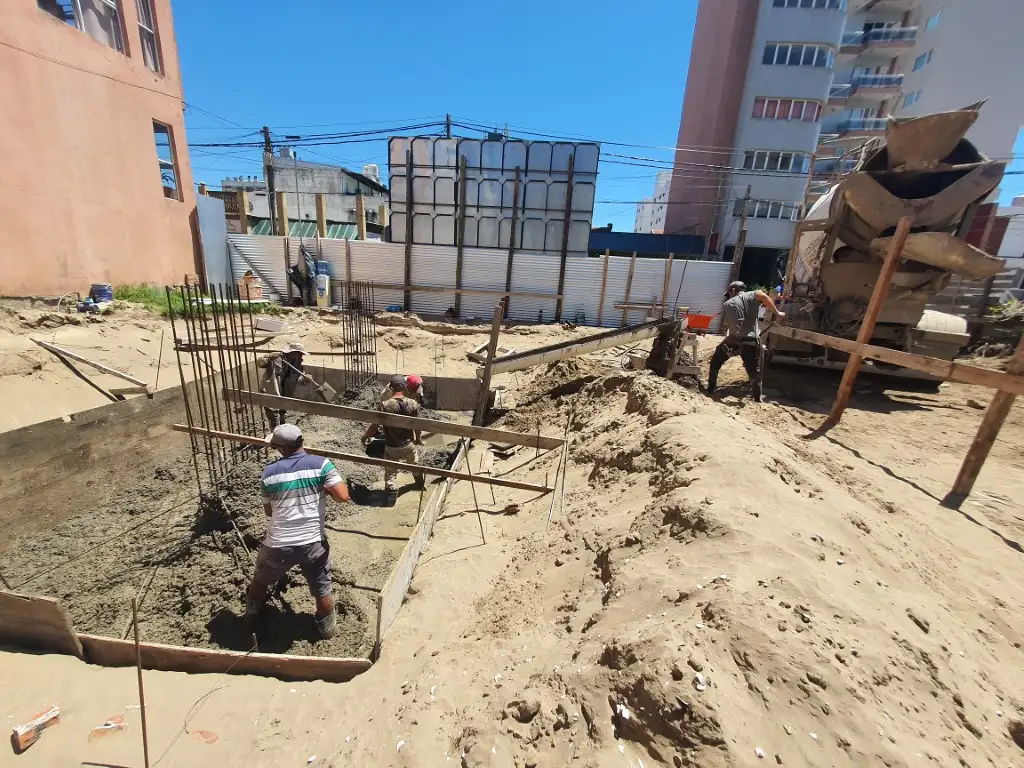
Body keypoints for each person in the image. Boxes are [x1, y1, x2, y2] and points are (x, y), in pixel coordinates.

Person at [245, 424, 351, 639]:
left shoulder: (268, 473)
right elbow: (342, 496)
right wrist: (324, 490)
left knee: (260, 581)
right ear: (301, 441)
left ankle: (250, 617)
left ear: (281, 448)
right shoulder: (321, 464)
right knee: (322, 588)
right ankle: (327, 632)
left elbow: (269, 511)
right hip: (312, 543)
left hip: (278, 544)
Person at [705, 281, 785, 402]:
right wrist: (777, 312)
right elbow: (764, 297)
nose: (729, 296)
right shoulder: (754, 295)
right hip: (752, 341)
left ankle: (710, 390)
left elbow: (733, 325)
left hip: (734, 340)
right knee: (754, 371)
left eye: (729, 293)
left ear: (733, 290)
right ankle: (757, 398)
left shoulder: (729, 303)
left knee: (716, 360)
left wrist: (730, 338)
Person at [363, 374, 424, 503]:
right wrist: (418, 438)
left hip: (391, 447)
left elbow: (374, 426)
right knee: (414, 464)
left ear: (391, 387)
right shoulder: (413, 404)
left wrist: (366, 436)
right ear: (405, 387)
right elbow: (418, 425)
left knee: (390, 472)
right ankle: (419, 484)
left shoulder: (385, 405)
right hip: (408, 445)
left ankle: (391, 498)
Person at [257, 342, 306, 428]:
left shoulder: (297, 364)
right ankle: (276, 435)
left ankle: (282, 431)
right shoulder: (276, 358)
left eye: (301, 354)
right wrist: (268, 357)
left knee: (282, 413)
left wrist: (304, 379)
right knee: (274, 415)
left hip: (284, 393)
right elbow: (260, 363)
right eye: (299, 354)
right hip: (270, 392)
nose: (301, 356)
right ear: (291, 353)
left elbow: (298, 379)